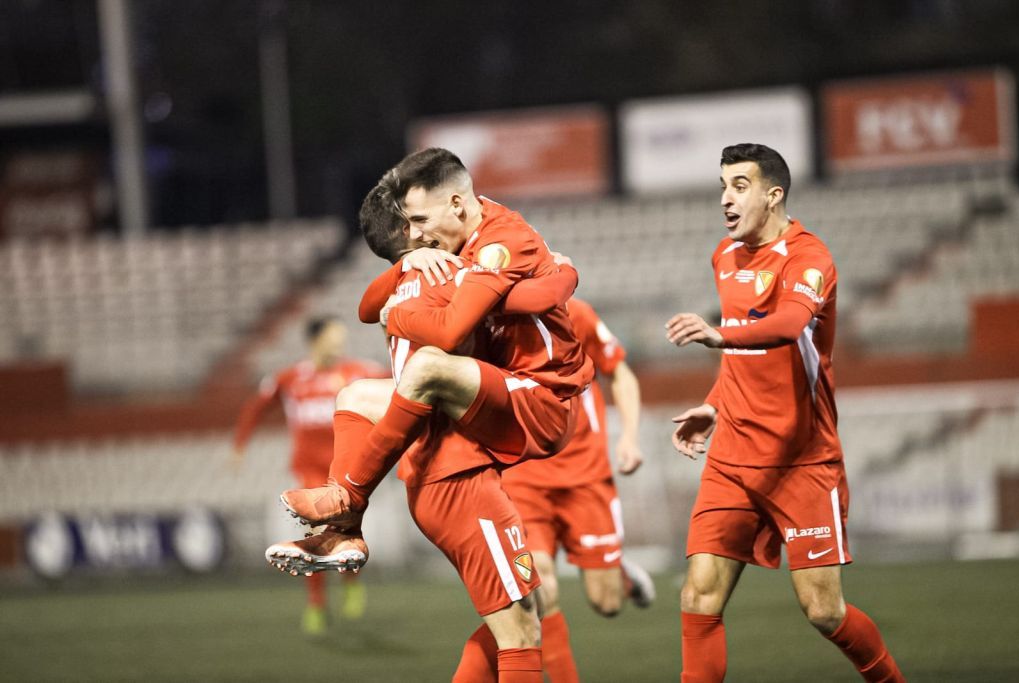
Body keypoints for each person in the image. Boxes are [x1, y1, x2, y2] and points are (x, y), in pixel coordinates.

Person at [269, 150, 594, 682]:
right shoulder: (447, 265)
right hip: (462, 470)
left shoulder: (477, 252)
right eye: (411, 226)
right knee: (520, 632)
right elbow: (436, 323)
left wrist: (397, 299)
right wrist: (565, 273)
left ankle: (346, 520)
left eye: (422, 219)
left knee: (355, 396)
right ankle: (348, 503)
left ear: (458, 205)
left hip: (512, 414)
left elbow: (371, 307)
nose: (419, 233)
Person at [665, 143, 904, 682]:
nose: (726, 199)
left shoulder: (809, 259)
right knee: (699, 596)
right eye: (723, 186)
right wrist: (714, 404)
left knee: (823, 610)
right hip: (731, 458)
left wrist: (715, 334)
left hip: (801, 461)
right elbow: (742, 359)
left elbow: (787, 326)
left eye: (740, 187)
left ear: (774, 196)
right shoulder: (723, 256)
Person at [499, 296, 655, 681]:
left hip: (586, 475)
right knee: (541, 586)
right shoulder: (491, 320)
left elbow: (619, 372)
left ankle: (617, 573)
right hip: (525, 477)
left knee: (606, 604)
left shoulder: (575, 314)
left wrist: (629, 438)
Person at [232, 316, 386, 635]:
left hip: (347, 472)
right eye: (334, 337)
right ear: (315, 341)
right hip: (309, 473)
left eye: (341, 338)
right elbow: (256, 407)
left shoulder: (360, 372)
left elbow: (403, 383)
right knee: (314, 540)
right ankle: (316, 605)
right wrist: (240, 445)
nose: (339, 344)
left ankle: (351, 582)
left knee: (344, 532)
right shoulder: (291, 378)